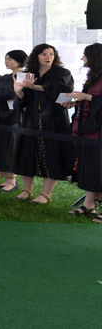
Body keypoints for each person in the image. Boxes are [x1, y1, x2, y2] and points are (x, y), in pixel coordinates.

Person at [12, 43, 75, 204]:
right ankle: (27, 190)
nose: (48, 57)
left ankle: (46, 194)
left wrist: (35, 87)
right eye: (44, 54)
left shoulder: (62, 73)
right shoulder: (28, 74)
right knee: (27, 152)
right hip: (31, 118)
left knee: (51, 154)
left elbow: (62, 92)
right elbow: (23, 99)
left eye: (51, 54)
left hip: (53, 119)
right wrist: (18, 90)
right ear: (36, 56)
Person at [66, 43, 102, 220]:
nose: (82, 58)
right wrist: (76, 102)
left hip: (98, 132)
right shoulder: (93, 76)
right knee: (90, 168)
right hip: (88, 130)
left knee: (99, 168)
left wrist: (86, 97)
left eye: (84, 55)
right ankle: (89, 205)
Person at [0, 49, 27, 192]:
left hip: (14, 116)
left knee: (10, 147)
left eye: (10, 59)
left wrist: (4, 94)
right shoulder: (5, 77)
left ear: (19, 61)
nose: (7, 62)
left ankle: (13, 180)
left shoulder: (24, 76)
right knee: (1, 146)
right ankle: (7, 179)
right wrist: (4, 94)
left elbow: (15, 94)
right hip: (0, 115)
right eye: (6, 59)